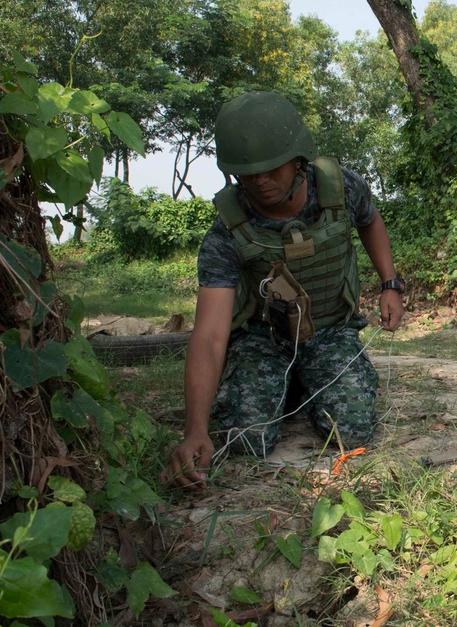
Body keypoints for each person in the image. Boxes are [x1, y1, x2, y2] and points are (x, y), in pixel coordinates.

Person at [162, 91, 404, 490]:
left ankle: (304, 380)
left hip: (331, 330)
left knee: (355, 429)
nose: (260, 181)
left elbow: (370, 220)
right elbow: (208, 336)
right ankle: (286, 386)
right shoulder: (227, 232)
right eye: (247, 173)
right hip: (264, 338)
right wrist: (194, 431)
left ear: (298, 159)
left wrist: (390, 283)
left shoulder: (340, 188)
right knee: (245, 440)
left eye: (271, 168)